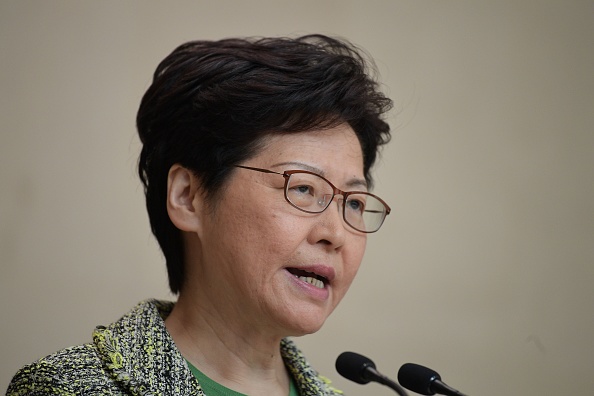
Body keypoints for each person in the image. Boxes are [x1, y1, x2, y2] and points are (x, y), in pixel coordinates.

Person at [7, 34, 392, 395]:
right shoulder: (66, 388)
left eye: (354, 202)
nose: (335, 234)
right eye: (304, 189)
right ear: (188, 197)